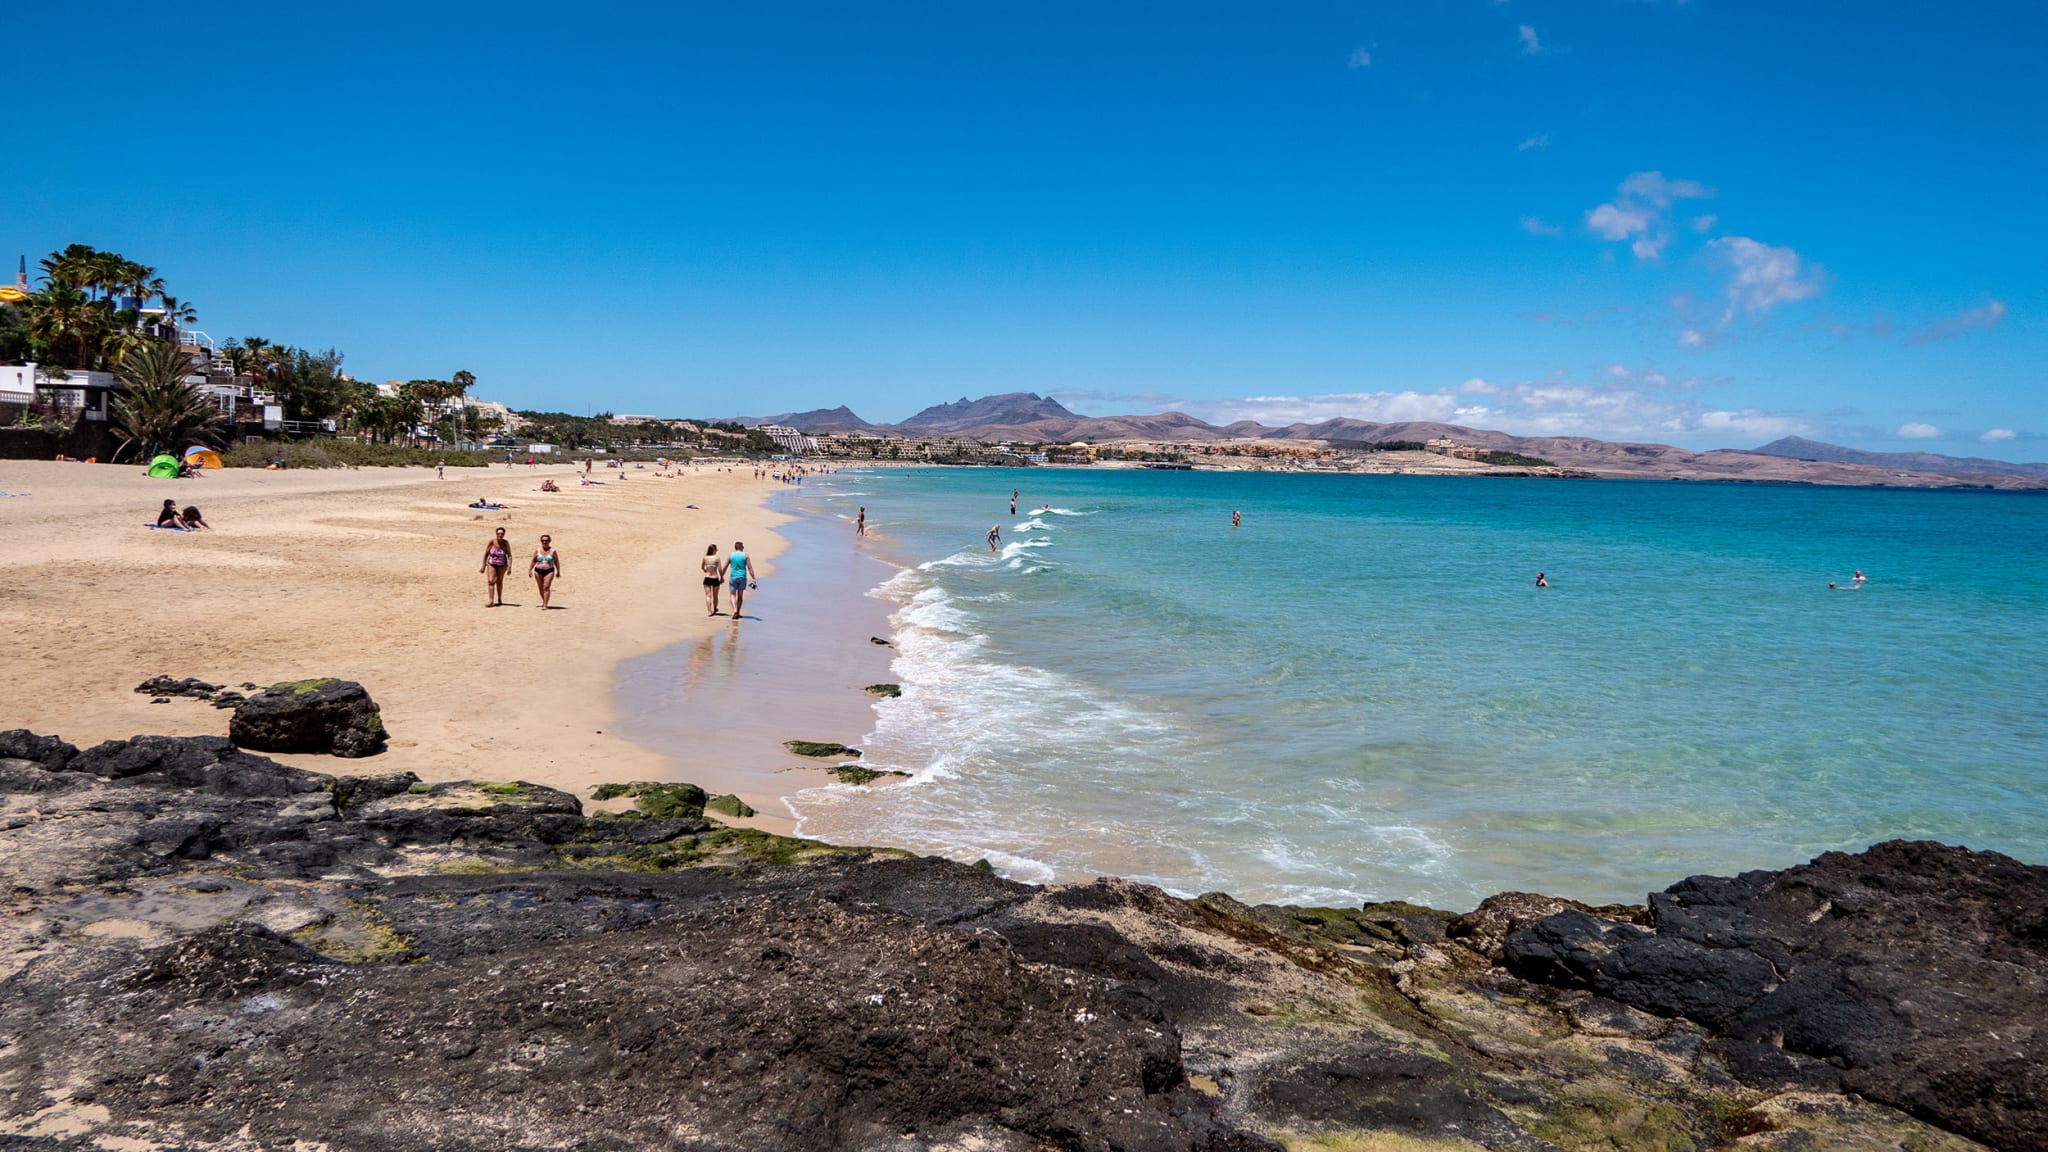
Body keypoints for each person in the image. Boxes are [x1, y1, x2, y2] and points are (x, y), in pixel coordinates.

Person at [481, 527, 512, 606]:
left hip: (502, 564)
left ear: (504, 534)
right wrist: (483, 566)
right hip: (492, 563)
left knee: (499, 581)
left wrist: (509, 567)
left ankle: (499, 599)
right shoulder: (492, 542)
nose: (500, 535)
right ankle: (491, 600)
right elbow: (486, 554)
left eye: (502, 534)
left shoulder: (505, 543)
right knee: (491, 581)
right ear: (496, 534)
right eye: (498, 533)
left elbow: (509, 555)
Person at [529, 534, 561, 608]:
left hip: (549, 570)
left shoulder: (553, 551)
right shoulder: (537, 551)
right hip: (538, 570)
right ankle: (544, 601)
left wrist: (558, 571)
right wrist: (530, 570)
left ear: (549, 541)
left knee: (546, 587)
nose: (544, 542)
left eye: (546, 540)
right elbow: (533, 561)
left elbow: (556, 561)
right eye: (543, 540)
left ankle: (545, 605)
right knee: (540, 587)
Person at [728, 540, 754, 618]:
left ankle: (735, 610)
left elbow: (725, 566)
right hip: (742, 577)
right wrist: (753, 578)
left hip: (733, 577)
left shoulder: (731, 555)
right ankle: (738, 612)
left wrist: (721, 576)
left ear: (735, 547)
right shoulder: (745, 555)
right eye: (743, 546)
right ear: (741, 547)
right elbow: (750, 567)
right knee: (740, 596)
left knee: (732, 595)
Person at [701, 544, 725, 615]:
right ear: (714, 550)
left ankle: (709, 611)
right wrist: (722, 577)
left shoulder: (705, 558)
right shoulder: (717, 558)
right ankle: (714, 609)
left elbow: (702, 567)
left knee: (708, 596)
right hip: (715, 578)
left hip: (707, 578)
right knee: (715, 596)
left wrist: (706, 571)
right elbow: (720, 569)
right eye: (716, 549)